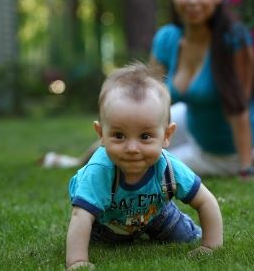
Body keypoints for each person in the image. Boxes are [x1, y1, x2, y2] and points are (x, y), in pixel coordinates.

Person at [41, 0, 254, 178]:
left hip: (225, 149)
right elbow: (148, 98)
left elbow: (240, 106)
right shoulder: (167, 39)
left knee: (141, 164)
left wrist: (246, 167)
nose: (192, 0)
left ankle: (96, 166)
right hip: (192, 120)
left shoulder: (234, 39)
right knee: (128, 128)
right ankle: (79, 162)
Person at [65, 63, 223, 270]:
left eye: (145, 136)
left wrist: (211, 246)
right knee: (96, 240)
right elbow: (81, 216)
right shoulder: (100, 170)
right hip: (104, 223)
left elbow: (205, 201)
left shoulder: (168, 167)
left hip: (155, 214)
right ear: (101, 134)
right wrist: (77, 261)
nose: (132, 148)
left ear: (166, 136)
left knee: (186, 237)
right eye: (119, 135)